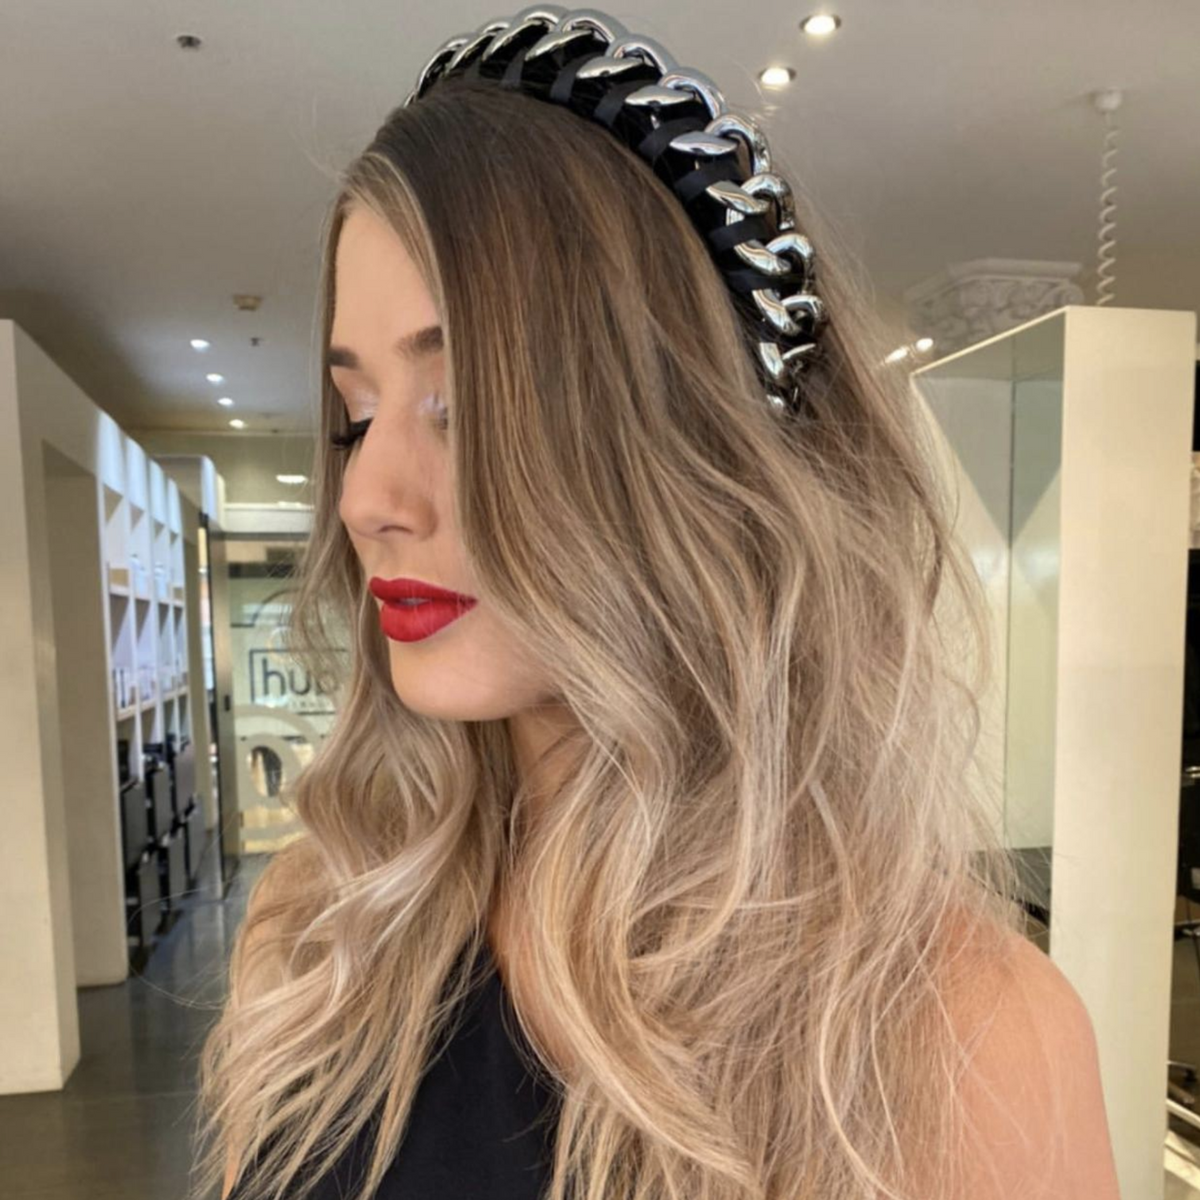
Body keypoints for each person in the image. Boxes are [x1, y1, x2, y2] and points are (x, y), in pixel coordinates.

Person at [193, 9, 1120, 1200]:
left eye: (463, 405)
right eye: (355, 417)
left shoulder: (963, 1040)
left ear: (688, 454)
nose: (367, 498)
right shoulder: (325, 926)